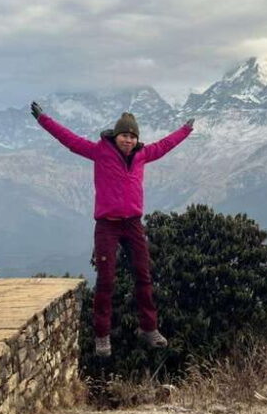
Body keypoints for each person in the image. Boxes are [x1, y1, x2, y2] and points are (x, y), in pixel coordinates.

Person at [31, 102, 194, 357]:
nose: (128, 140)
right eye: (124, 135)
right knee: (106, 279)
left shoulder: (143, 154)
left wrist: (185, 130)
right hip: (107, 225)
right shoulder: (100, 152)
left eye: (132, 136)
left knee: (144, 275)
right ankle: (102, 336)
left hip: (133, 224)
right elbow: (70, 140)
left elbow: (165, 145)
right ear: (115, 136)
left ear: (136, 139)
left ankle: (149, 328)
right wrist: (44, 120)